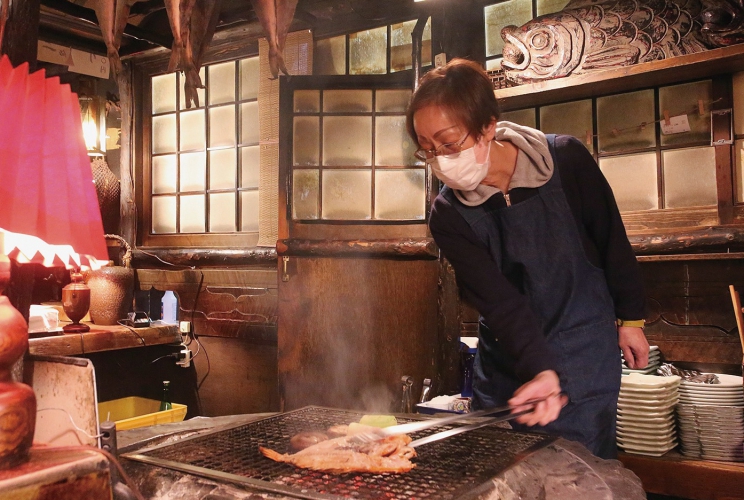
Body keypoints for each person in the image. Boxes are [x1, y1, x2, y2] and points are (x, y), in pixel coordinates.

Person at [406, 58, 649, 459]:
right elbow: (498, 301)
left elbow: (612, 242)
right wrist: (538, 369)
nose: (441, 160)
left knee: (579, 472)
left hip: (584, 348)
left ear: (487, 126)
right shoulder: (448, 215)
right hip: (508, 359)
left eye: (449, 144)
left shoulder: (565, 160)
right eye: (428, 150)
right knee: (499, 470)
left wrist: (632, 319)